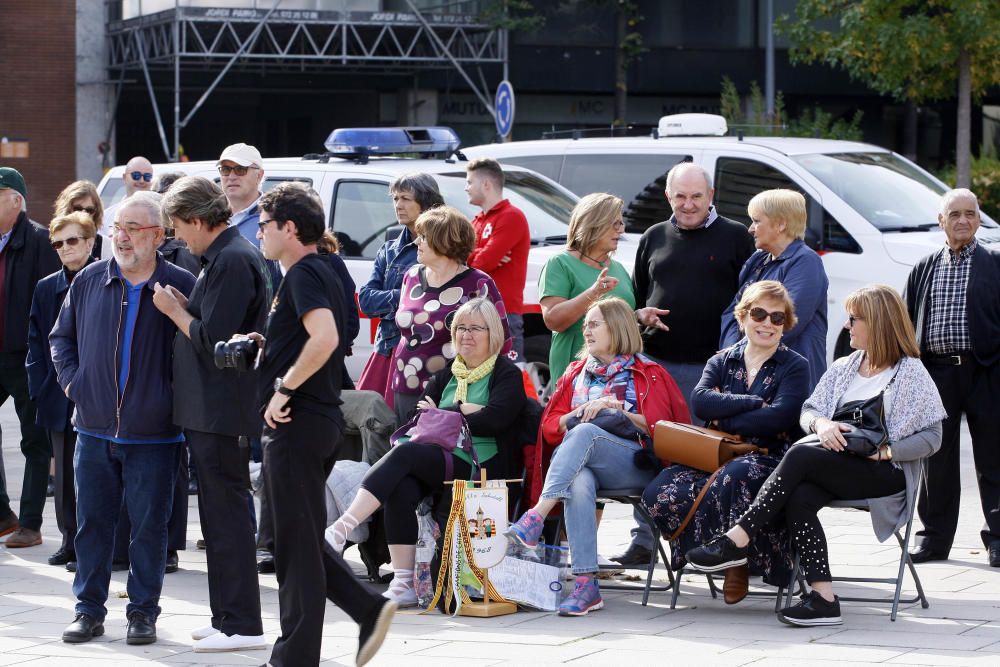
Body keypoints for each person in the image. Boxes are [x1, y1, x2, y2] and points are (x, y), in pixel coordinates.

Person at [685, 284, 945, 627]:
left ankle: (738, 537)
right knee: (801, 495)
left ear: (878, 323)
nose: (848, 325)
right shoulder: (845, 367)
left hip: (883, 470)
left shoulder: (910, 372)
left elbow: (933, 438)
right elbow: (809, 410)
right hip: (835, 460)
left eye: (854, 319)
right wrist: (822, 425)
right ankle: (823, 598)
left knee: (799, 457)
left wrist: (884, 451)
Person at [247, 181, 395, 666]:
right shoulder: (324, 271)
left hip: (298, 420)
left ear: (289, 228)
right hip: (317, 418)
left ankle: (297, 653)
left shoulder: (303, 273)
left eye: (265, 226)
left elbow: (326, 337)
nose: (259, 235)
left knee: (294, 545)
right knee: (300, 539)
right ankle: (362, 613)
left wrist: (284, 387)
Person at [50, 191, 196, 644]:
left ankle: (142, 613)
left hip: (154, 433)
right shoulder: (90, 279)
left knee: (149, 529)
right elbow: (61, 338)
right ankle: (88, 610)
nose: (123, 237)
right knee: (92, 524)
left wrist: (173, 402)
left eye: (134, 229)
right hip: (92, 428)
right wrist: (75, 385)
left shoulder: (182, 284)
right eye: (118, 229)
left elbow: (199, 349)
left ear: (158, 235)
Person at [328, 298, 532, 606]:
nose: (466, 335)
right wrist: (462, 412)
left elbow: (496, 419)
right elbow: (418, 418)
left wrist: (448, 413)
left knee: (403, 456)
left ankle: (343, 527)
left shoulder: (506, 374)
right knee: (401, 486)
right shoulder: (447, 373)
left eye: (475, 328)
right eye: (461, 328)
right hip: (439, 458)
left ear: (493, 333)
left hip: (479, 463)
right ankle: (404, 583)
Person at [508, 297, 689, 616]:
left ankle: (537, 515)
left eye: (593, 324)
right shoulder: (575, 373)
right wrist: (577, 412)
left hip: (635, 464)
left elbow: (667, 429)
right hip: (582, 463)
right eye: (585, 325)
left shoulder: (648, 372)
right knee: (578, 479)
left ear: (617, 327)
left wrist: (618, 411)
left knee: (585, 433)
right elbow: (550, 427)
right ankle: (586, 584)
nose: (586, 331)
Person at [154, 176, 270, 652]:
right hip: (210, 409)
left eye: (181, 225)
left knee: (227, 518)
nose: (179, 236)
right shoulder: (224, 256)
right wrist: (189, 307)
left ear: (200, 220)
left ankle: (241, 622)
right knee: (219, 517)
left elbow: (214, 343)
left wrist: (174, 312)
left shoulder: (232, 258)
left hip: (221, 409)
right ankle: (226, 616)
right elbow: (214, 324)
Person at [641, 281, 810, 604]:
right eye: (759, 314)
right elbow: (701, 403)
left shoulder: (795, 366)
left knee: (736, 477)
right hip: (714, 453)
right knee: (659, 491)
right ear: (743, 316)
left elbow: (781, 417)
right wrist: (753, 402)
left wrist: (726, 413)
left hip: (769, 456)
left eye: (777, 318)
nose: (768, 324)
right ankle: (706, 551)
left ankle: (737, 563)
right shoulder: (721, 360)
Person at [538, 192, 668, 567]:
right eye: (614, 223)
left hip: (620, 384)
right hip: (576, 380)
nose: (621, 229)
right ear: (592, 224)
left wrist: (639, 315)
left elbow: (617, 316)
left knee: (589, 467)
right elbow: (553, 319)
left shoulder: (618, 267)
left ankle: (583, 555)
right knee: (574, 458)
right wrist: (591, 294)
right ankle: (565, 550)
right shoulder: (560, 264)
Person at [904, 188, 1000, 567]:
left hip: (987, 370)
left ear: (978, 219)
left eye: (970, 214)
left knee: (993, 457)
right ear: (940, 221)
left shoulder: (994, 263)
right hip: (936, 373)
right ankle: (934, 539)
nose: (963, 220)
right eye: (954, 214)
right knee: (936, 459)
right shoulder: (924, 267)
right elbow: (907, 321)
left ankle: (998, 539)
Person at [632, 162, 755, 407]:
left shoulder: (737, 236)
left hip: (710, 368)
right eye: (680, 196)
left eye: (697, 196)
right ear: (668, 197)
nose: (688, 205)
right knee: (652, 439)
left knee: (697, 442)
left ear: (710, 195)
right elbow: (638, 295)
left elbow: (751, 300)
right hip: (653, 362)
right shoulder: (653, 236)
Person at [389, 205, 511, 425]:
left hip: (450, 391)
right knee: (404, 449)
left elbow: (502, 340)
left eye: (423, 237)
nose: (416, 242)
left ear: (444, 241)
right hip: (404, 383)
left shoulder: (478, 283)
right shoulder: (412, 276)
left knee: (438, 452)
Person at [26, 212, 98, 566]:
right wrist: (41, 387)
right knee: (66, 473)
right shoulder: (46, 287)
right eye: (58, 243)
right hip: (58, 393)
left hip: (100, 393)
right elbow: (36, 342)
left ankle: (96, 544)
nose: (64, 249)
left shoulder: (106, 278)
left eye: (72, 241)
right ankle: (69, 539)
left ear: (90, 242)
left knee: (98, 473)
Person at [0, 167, 60, 546]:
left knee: (34, 440)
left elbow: (51, 304)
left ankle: (31, 524)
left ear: (16, 201)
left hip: (26, 357)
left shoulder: (39, 240)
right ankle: (2, 513)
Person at [721, 189, 829, 389]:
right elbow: (732, 312)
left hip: (789, 382)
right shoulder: (758, 259)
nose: (750, 229)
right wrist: (730, 352)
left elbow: (787, 322)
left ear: (781, 224)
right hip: (750, 374)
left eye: (757, 221)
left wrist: (740, 352)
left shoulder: (805, 261)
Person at [357, 173, 444, 403]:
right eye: (395, 198)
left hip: (424, 352)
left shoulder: (443, 248)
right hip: (386, 348)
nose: (398, 205)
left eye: (405, 198)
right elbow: (365, 301)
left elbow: (437, 302)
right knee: (373, 423)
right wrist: (408, 295)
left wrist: (397, 300)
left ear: (425, 202)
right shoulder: (389, 249)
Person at [466, 157, 529, 362]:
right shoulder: (476, 220)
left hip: (503, 313)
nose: (466, 188)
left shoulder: (511, 216)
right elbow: (459, 259)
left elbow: (482, 263)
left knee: (509, 377)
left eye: (469, 182)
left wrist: (476, 256)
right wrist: (480, 254)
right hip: (475, 311)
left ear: (486, 184)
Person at [217, 142, 266, 245]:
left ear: (259, 175)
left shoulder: (273, 216)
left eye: (240, 169)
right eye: (226, 169)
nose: (231, 177)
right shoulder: (210, 215)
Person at [53, 180, 109, 259]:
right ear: (67, 209)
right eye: (77, 209)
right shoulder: (54, 242)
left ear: (96, 213)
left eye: (89, 210)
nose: (83, 214)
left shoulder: (105, 245)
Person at [102, 156, 154, 228]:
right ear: (125, 178)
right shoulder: (107, 218)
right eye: (136, 175)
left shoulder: (159, 215)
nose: (142, 180)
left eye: (147, 176)